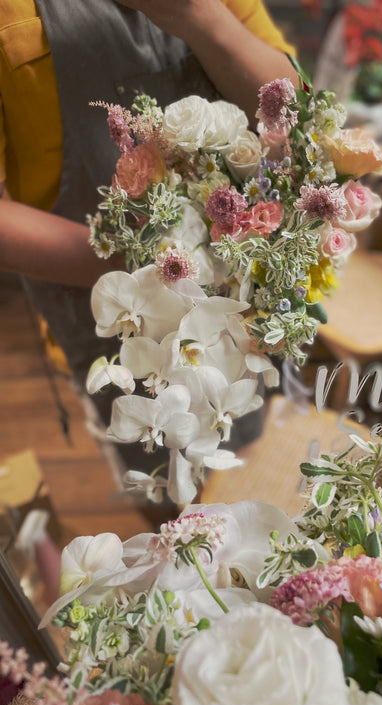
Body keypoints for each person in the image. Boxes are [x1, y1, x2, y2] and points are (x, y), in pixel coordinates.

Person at [0, 0, 298, 515]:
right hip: (116, 314)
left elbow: (293, 112)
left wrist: (195, 16)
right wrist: (140, 268)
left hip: (248, 286)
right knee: (176, 495)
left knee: (260, 454)